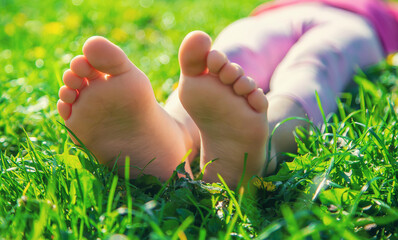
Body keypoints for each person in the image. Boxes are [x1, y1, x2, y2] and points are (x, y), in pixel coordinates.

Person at [56, 0, 398, 188]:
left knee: (312, 64)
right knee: (227, 56)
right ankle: (171, 134)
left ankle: (264, 143)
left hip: (356, 23)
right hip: (273, 14)